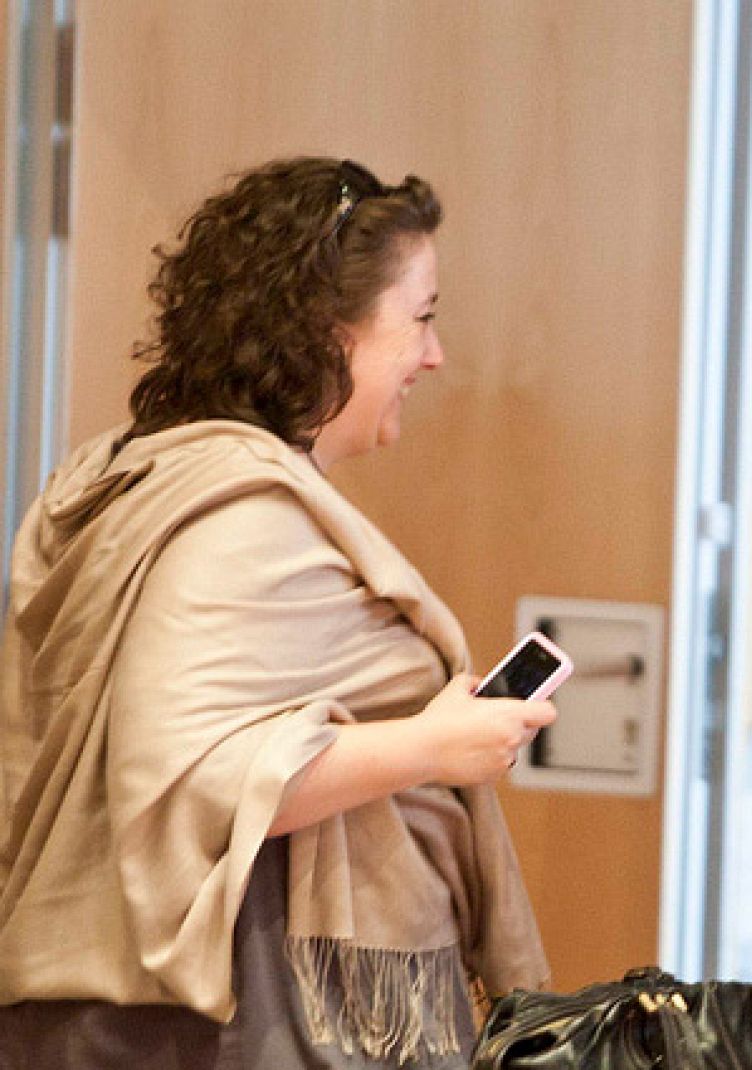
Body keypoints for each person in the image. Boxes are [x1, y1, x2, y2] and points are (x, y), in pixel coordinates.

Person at [0, 157, 555, 1069]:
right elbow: (184, 778)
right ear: (328, 331)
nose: (434, 355)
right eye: (419, 318)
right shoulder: (236, 518)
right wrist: (431, 747)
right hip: (249, 1029)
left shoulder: (136, 473)